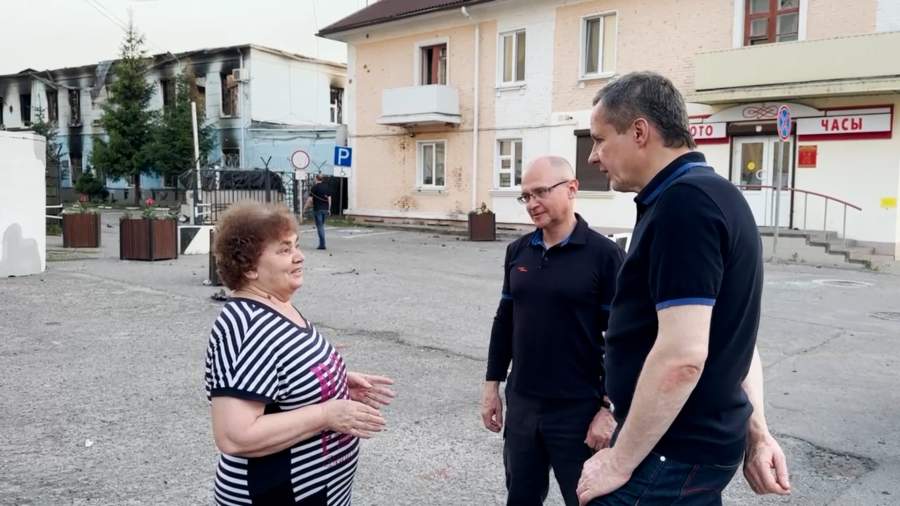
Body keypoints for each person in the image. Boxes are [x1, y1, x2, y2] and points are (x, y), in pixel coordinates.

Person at [575, 72, 790, 505]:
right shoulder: (715, 195)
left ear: (639, 132)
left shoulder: (685, 205)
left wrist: (619, 461)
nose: (594, 156)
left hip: (669, 455)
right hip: (689, 451)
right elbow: (734, 338)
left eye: (599, 140)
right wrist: (757, 431)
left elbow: (683, 358)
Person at [205, 201, 395, 505]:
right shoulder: (245, 325)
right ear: (249, 267)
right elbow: (235, 435)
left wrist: (333, 381)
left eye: (296, 245)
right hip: (272, 493)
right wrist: (325, 414)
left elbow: (281, 375)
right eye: (284, 250)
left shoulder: (277, 304)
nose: (299, 256)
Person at [481, 156, 625, 506]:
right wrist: (491, 387)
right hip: (523, 404)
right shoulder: (518, 251)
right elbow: (505, 321)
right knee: (521, 497)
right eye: (526, 196)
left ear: (572, 188)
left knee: (586, 499)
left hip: (578, 410)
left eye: (541, 192)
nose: (532, 203)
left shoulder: (605, 256)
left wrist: (609, 409)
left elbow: (622, 341)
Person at [305, 174, 332, 250]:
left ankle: (322, 244)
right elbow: (329, 199)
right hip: (325, 209)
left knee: (320, 226)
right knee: (322, 225)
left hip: (317, 209)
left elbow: (310, 199)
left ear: (316, 179)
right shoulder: (327, 187)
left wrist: (305, 208)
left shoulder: (314, 187)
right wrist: (329, 209)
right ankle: (322, 243)